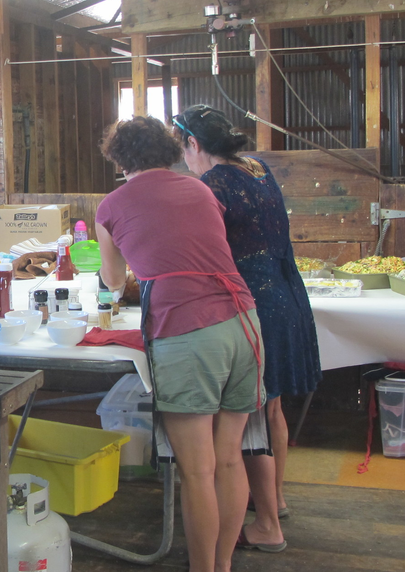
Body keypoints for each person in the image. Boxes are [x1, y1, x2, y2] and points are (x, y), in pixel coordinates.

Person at [96, 116, 264, 572]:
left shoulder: (111, 206)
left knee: (197, 471)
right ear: (167, 151)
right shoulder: (199, 189)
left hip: (188, 331)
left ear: (118, 158)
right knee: (230, 459)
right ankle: (222, 565)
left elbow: (113, 282)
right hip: (244, 321)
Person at [175, 104, 322, 551]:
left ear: (193, 145)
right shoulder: (256, 166)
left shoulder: (212, 184)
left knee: (251, 419)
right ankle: (274, 501)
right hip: (286, 291)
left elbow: (201, 251)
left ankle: (268, 528)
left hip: (254, 304)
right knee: (271, 409)